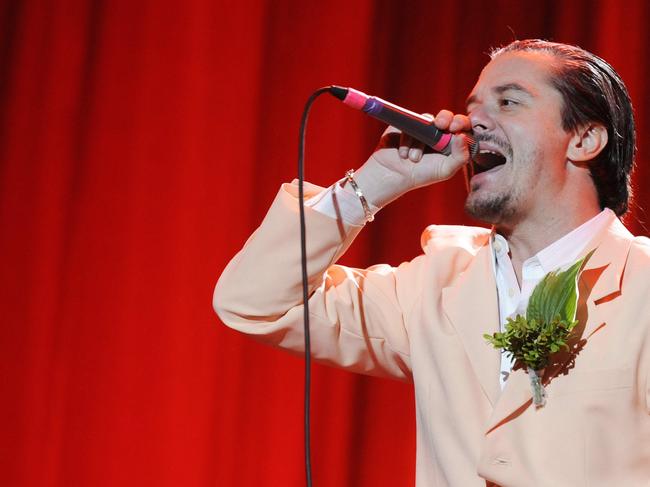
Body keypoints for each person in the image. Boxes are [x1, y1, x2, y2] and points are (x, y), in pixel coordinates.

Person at [214, 40, 650, 486]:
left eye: (508, 102)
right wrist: (374, 183)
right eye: (473, 106)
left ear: (584, 139)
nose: (473, 121)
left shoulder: (643, 288)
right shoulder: (435, 289)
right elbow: (255, 303)